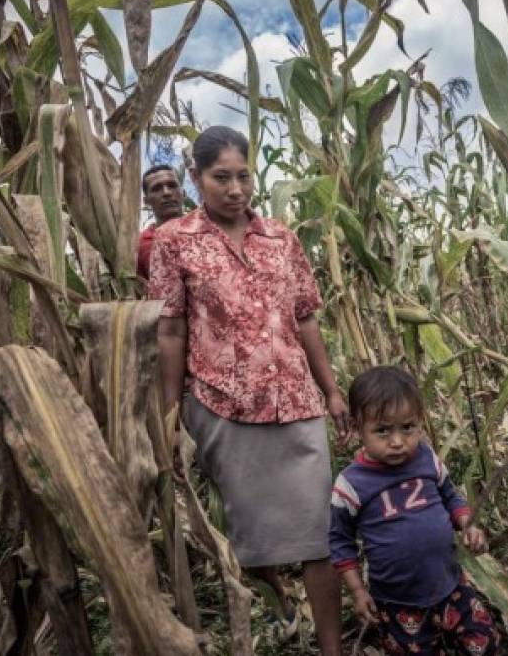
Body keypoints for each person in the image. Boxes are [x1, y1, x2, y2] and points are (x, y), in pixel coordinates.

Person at [148, 126, 347, 655]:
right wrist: (170, 414)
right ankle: (277, 599)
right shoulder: (175, 241)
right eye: (221, 178)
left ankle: (332, 649)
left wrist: (330, 389)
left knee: (318, 538)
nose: (235, 189)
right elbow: (169, 329)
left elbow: (305, 320)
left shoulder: (282, 238)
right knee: (250, 538)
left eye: (243, 176)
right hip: (220, 405)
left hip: (296, 402)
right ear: (196, 178)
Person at [330, 366, 501, 655]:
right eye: (382, 430)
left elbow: (451, 497)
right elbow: (340, 542)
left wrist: (468, 525)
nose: (397, 441)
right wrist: (358, 591)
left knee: (485, 642)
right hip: (397, 602)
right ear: (359, 429)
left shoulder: (426, 459)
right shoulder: (351, 484)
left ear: (420, 422)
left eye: (407, 428)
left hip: (451, 585)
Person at [137, 164, 184, 279]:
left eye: (172, 185)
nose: (166, 192)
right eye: (156, 189)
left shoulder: (210, 230)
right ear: (146, 201)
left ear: (183, 193)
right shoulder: (142, 244)